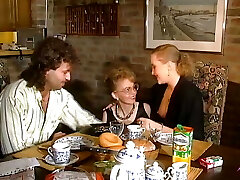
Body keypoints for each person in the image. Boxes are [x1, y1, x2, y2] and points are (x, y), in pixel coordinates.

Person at [0, 37, 101, 155]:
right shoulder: (15, 96)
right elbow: (13, 153)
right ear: (46, 70)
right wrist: (49, 146)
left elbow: (87, 122)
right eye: (65, 72)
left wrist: (112, 131)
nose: (69, 78)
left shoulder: (60, 96)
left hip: (43, 163)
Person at [138, 44, 204, 140]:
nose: (152, 72)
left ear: (169, 66)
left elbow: (195, 137)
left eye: (154, 67)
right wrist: (118, 103)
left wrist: (158, 127)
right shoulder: (159, 88)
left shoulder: (190, 93)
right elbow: (139, 100)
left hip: (182, 150)